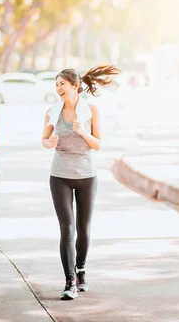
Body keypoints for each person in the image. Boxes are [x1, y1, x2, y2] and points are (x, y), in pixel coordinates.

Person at [42, 65, 120, 300]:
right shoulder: (53, 111)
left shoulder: (91, 110)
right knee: (67, 229)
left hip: (87, 176)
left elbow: (97, 144)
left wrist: (83, 131)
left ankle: (81, 271)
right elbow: (44, 140)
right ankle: (69, 281)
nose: (58, 88)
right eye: (56, 85)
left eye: (62, 84)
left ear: (75, 86)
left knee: (84, 229)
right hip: (60, 176)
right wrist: (50, 142)